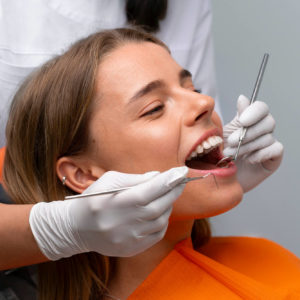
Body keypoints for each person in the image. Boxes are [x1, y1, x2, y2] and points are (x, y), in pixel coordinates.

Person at [3, 28, 297, 300]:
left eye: (193, 89)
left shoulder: (270, 266)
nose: (205, 102)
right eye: (155, 108)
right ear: (81, 174)